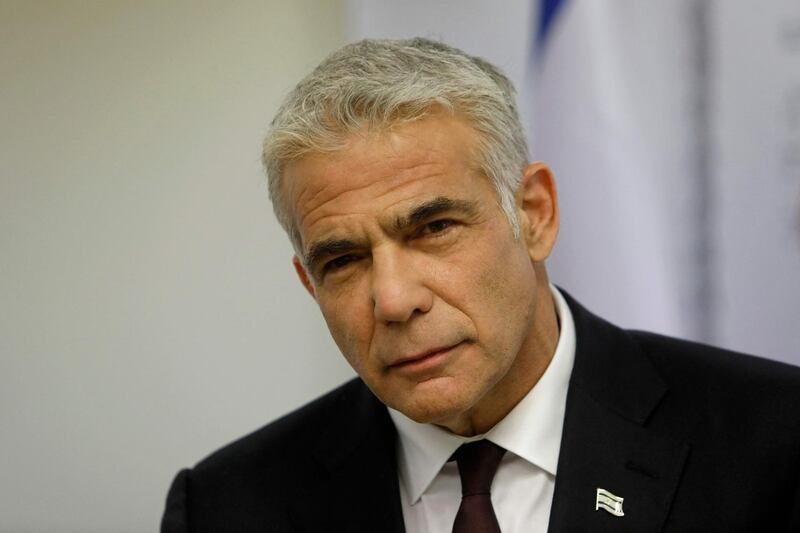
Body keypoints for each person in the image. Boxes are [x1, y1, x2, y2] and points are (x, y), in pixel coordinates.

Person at [161, 38, 800, 532]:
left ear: (534, 215)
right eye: (343, 261)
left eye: (434, 227)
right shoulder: (229, 505)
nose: (393, 299)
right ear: (309, 283)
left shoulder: (771, 442)